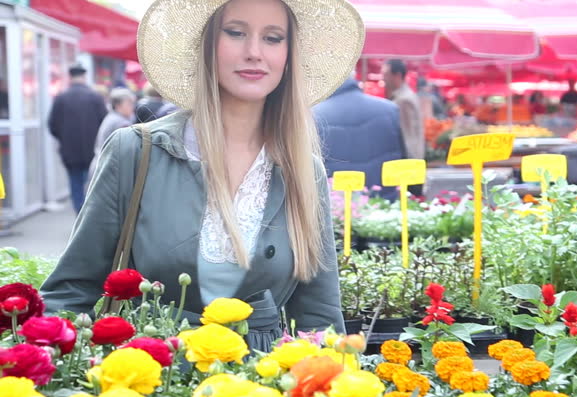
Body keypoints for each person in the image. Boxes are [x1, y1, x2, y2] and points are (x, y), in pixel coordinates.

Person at [40, 0, 362, 351]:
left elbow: (319, 316)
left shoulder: (302, 167)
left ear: (289, 55)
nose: (254, 52)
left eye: (273, 38)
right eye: (236, 32)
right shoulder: (136, 151)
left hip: (265, 390)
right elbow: (71, 291)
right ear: (206, 44)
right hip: (155, 382)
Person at [313, 73, 405, 200]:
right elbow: (403, 157)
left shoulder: (313, 115)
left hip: (338, 205)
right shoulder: (390, 110)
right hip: (384, 201)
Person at [47, 62, 108, 214]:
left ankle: (79, 212)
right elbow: (105, 122)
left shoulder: (61, 98)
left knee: (75, 182)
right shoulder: (95, 97)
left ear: (70, 77)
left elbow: (52, 124)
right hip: (92, 149)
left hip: (69, 149)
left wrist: (63, 138)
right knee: (93, 182)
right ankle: (90, 215)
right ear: (84, 76)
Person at [382, 59, 424, 160]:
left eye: (386, 74)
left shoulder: (404, 100)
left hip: (406, 162)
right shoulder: (402, 97)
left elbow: (407, 137)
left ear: (398, 75)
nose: (383, 78)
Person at [90, 88, 137, 179]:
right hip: (109, 170)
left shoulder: (112, 117)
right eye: (129, 103)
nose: (132, 106)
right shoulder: (121, 123)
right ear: (118, 105)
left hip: (102, 165)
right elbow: (127, 151)